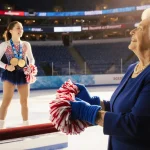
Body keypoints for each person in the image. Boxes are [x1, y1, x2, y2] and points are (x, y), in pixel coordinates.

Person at [70, 12, 150, 150]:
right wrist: (95, 102)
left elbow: (135, 124)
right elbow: (122, 109)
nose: (132, 31)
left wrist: (90, 113)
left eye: (140, 28)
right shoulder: (133, 68)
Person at [0, 21, 35, 129]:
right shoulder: (5, 45)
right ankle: (1, 126)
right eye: (18, 28)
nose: (21, 30)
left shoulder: (26, 44)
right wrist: (6, 66)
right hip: (9, 74)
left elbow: (31, 59)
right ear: (11, 30)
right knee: (6, 100)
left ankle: (26, 125)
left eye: (22, 28)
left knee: (24, 101)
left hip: (23, 74)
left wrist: (30, 67)